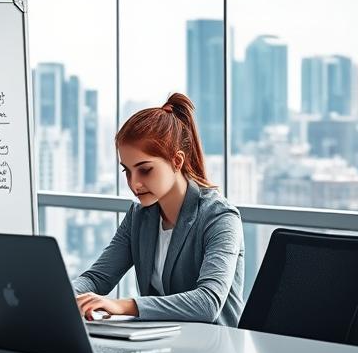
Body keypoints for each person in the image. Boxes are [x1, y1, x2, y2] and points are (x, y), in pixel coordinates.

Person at [72, 92, 245, 326]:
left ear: (177, 161)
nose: (134, 184)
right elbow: (97, 278)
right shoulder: (139, 216)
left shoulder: (220, 217)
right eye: (127, 171)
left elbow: (208, 302)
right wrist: (65, 298)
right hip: (159, 344)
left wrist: (123, 306)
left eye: (145, 169)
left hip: (213, 349)